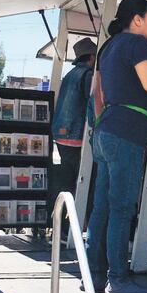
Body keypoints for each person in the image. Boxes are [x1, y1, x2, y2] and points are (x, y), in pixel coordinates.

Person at [86, 0, 147, 293]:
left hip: (105, 129)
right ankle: (119, 279)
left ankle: (94, 276)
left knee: (101, 208)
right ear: (137, 20)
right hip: (126, 132)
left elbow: (96, 93)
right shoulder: (139, 45)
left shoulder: (108, 47)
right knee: (122, 208)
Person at [51, 37, 96, 237]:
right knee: (83, 182)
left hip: (61, 135)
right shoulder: (86, 75)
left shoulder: (69, 75)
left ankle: (62, 228)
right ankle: (78, 229)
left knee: (68, 182)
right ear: (92, 57)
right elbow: (92, 105)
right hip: (77, 136)